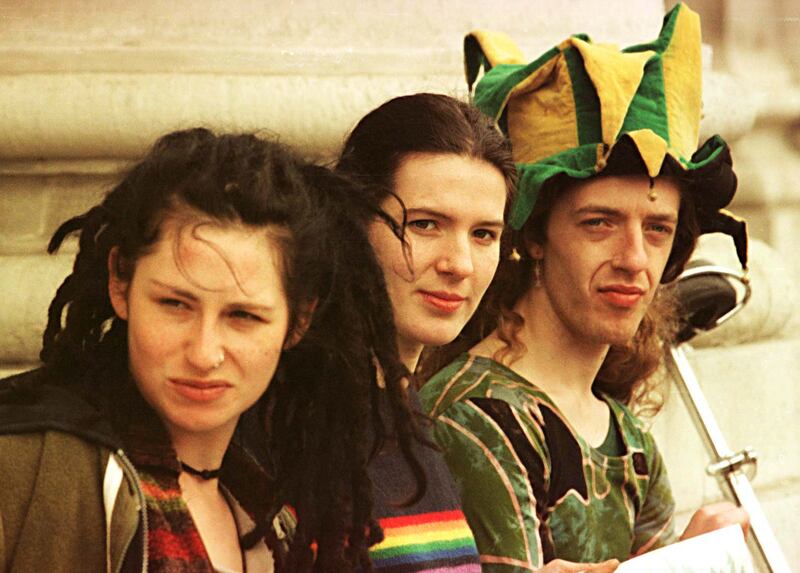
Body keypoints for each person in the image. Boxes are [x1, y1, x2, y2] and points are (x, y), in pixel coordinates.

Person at [419, 4, 750, 572]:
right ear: (535, 236)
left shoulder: (628, 440)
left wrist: (697, 552)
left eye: (657, 229)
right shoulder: (479, 418)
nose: (633, 259)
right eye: (598, 223)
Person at [0, 128, 416, 572]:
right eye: (175, 304)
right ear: (121, 283)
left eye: (243, 316)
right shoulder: (30, 471)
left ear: (298, 321)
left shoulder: (271, 518)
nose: (204, 353)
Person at [336, 92, 516, 571]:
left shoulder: (402, 404)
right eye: (425, 224)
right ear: (352, 223)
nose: (459, 265)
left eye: (484, 235)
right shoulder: (310, 419)